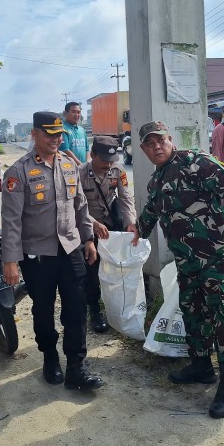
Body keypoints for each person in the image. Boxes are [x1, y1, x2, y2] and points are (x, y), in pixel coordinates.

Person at [130, 121, 224, 419]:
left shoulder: (196, 162)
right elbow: (152, 209)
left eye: (160, 141)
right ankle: (201, 365)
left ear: (170, 140)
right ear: (143, 150)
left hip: (220, 258)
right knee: (193, 310)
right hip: (187, 260)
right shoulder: (157, 180)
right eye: (150, 144)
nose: (156, 147)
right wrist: (138, 230)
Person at [1, 111, 103, 391]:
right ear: (34, 135)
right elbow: (10, 220)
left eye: (59, 134)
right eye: (49, 134)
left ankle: (76, 367)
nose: (56, 139)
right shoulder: (18, 172)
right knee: (43, 310)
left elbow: (80, 206)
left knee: (76, 308)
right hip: (38, 255)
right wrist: (10, 260)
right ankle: (49, 357)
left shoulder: (69, 165)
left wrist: (88, 240)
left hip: (70, 248)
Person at [79, 135, 137, 333]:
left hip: (112, 225)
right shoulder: (79, 174)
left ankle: (117, 306)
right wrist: (93, 223)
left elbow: (126, 197)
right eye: (103, 160)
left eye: (111, 160)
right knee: (92, 271)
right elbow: (74, 206)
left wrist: (130, 223)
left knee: (116, 267)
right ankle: (94, 309)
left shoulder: (117, 171)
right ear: (92, 154)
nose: (108, 164)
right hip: (88, 226)